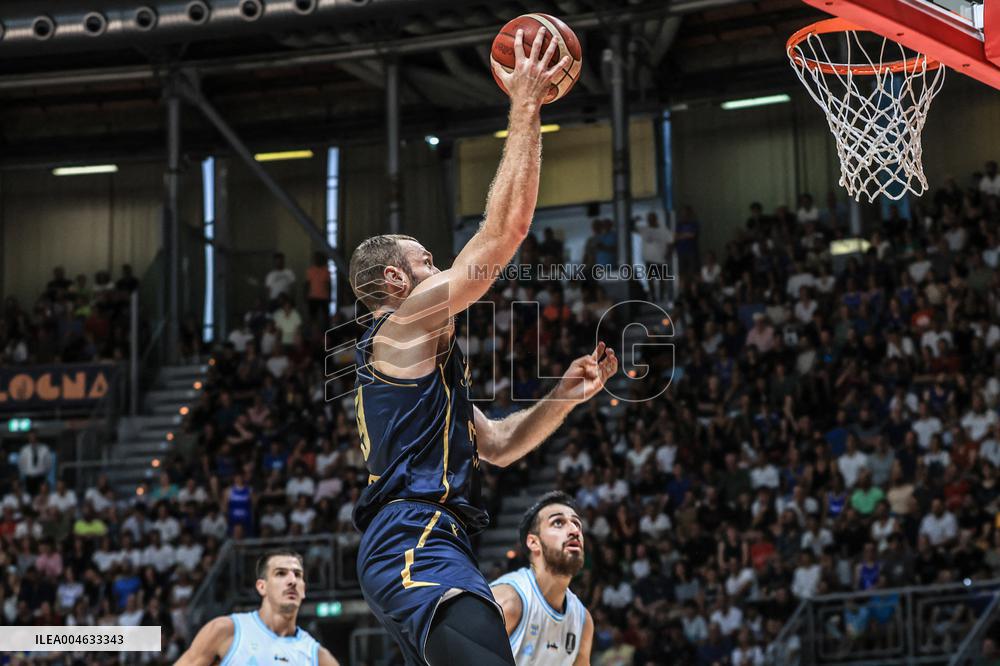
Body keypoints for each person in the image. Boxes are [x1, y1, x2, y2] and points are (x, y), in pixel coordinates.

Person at [347, 28, 614, 666]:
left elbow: (496, 446)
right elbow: (504, 233)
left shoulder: (424, 374)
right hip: (413, 539)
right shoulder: (401, 327)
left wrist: (564, 396)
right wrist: (525, 104)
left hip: (432, 542)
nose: (439, 269)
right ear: (395, 280)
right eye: (427, 261)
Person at [175, 551, 338, 665]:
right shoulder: (226, 631)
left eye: (297, 575)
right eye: (281, 573)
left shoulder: (318, 657)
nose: (292, 581)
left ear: (304, 590)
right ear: (262, 587)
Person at [491, 492, 594, 665]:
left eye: (576, 523)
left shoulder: (582, 622)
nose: (574, 531)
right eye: (558, 522)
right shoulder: (506, 602)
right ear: (534, 542)